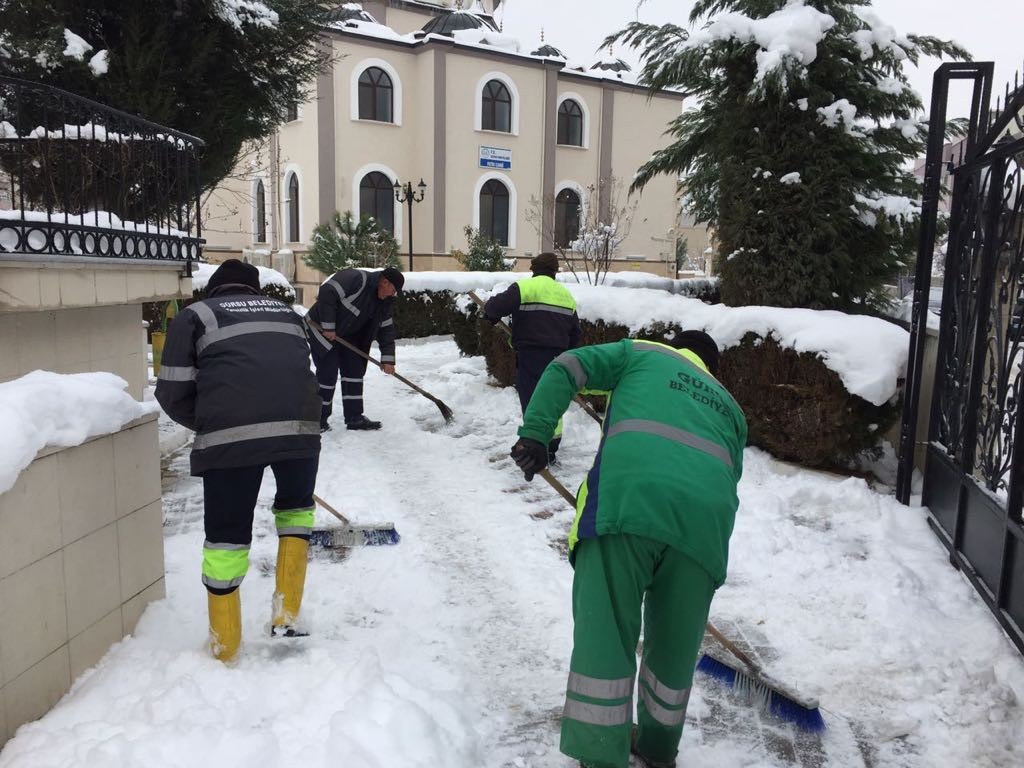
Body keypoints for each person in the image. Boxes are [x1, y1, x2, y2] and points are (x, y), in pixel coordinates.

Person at [510, 332, 747, 768]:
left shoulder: (641, 353)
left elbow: (565, 366)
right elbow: (726, 476)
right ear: (711, 367)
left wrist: (536, 434)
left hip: (627, 503)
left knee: (609, 629)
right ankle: (658, 750)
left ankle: (601, 754)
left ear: (675, 345)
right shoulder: (729, 405)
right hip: (705, 528)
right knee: (674, 645)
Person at [155, 259, 322, 662]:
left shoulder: (195, 316)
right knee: (296, 515)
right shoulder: (289, 314)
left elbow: (172, 393)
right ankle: (287, 616)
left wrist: (214, 422)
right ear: (255, 290)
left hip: (230, 440)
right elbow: (298, 371)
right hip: (300, 431)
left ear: (215, 288)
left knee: (226, 538)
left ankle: (225, 645)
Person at [484, 252, 582, 462]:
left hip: (531, 355)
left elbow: (494, 307)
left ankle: (534, 446)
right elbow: (576, 335)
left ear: (534, 269)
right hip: (559, 358)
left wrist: (490, 317)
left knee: (532, 400)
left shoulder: (524, 288)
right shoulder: (566, 295)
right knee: (552, 399)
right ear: (554, 272)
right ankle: (551, 446)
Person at [303, 266, 404, 432]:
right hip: (321, 329)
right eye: (393, 290)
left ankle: (354, 418)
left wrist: (388, 359)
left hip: (348, 336)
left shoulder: (384, 303)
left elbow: (386, 331)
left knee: (354, 371)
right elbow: (327, 291)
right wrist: (329, 326)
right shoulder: (356, 279)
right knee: (328, 374)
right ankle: (318, 419)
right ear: (384, 282)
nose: (392, 295)